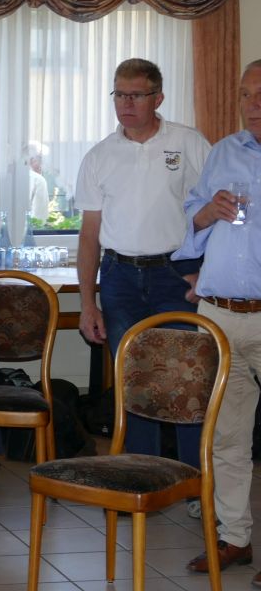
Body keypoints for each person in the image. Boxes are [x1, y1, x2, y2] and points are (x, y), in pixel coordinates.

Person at [75, 58, 209, 474]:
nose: (126, 103)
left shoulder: (189, 143)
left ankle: (193, 482)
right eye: (119, 94)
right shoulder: (100, 156)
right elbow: (89, 235)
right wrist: (88, 303)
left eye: (136, 95)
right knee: (132, 379)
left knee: (186, 380)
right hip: (119, 277)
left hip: (176, 275)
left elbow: (217, 212)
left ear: (158, 98)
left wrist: (205, 273)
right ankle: (141, 475)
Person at [178, 60, 261, 580]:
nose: (253, 103)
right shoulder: (223, 151)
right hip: (221, 315)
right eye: (246, 93)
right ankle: (235, 538)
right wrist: (208, 212)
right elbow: (192, 220)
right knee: (228, 437)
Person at [26, 142, 50, 222]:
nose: (42, 165)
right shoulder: (39, 180)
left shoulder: (11, 178)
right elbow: (39, 218)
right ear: (31, 160)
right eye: (40, 160)